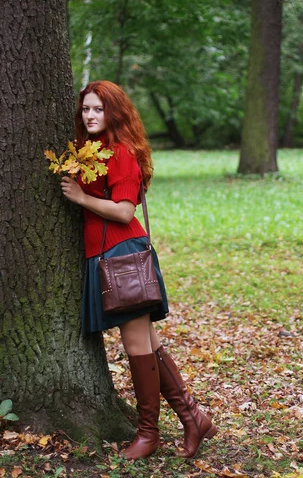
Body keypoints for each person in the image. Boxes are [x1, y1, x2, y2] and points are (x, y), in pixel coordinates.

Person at [61, 81, 217, 461]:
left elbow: (126, 210)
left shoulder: (121, 154)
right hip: (104, 255)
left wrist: (81, 197)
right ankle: (193, 416)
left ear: (114, 113)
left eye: (99, 109)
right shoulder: (89, 152)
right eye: (86, 109)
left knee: (136, 347)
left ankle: (149, 433)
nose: (92, 115)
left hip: (122, 254)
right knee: (149, 345)